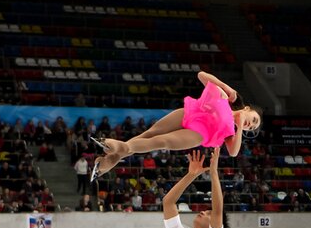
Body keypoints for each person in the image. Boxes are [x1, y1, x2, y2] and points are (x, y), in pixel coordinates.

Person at [91, 72, 261, 180]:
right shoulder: (226, 98)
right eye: (253, 119)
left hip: (198, 134)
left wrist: (239, 127)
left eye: (251, 128)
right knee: (150, 133)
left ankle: (119, 148)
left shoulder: (232, 132)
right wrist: (227, 87)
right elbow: (201, 75)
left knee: (161, 141)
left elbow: (233, 152)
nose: (250, 125)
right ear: (248, 109)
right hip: (189, 113)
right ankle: (110, 160)